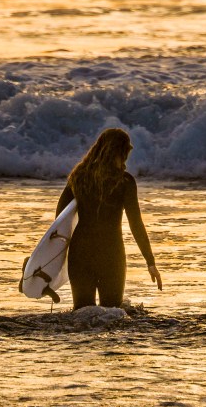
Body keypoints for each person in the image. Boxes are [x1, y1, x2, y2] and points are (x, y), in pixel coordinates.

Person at [54, 127, 162, 309]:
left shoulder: (78, 177)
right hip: (111, 254)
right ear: (121, 152)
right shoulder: (125, 181)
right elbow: (136, 224)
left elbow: (59, 219)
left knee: (82, 316)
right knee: (112, 315)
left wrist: (53, 259)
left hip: (80, 254)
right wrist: (150, 262)